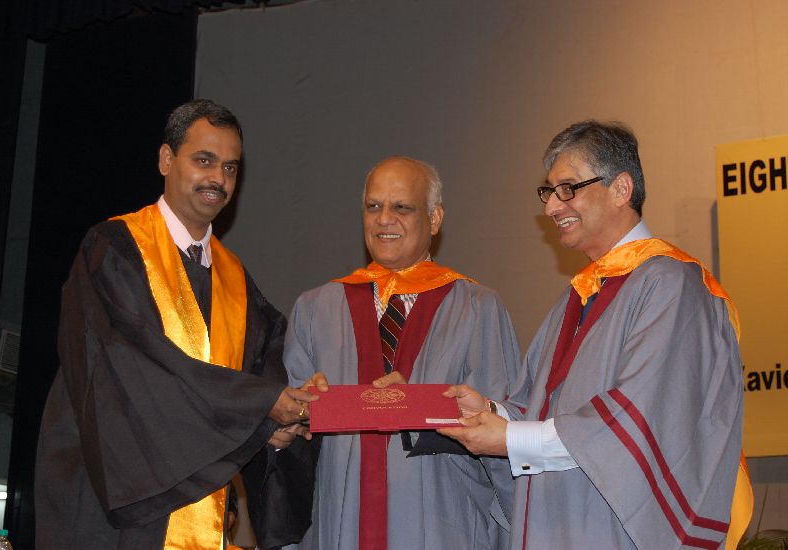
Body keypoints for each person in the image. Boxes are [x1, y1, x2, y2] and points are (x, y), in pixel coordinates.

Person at [439, 120, 753, 549]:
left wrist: (510, 438)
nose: (552, 207)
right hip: (563, 520)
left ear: (621, 189)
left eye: (568, 188)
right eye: (549, 191)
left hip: (613, 528)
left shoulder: (672, 285)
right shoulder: (580, 293)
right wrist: (494, 412)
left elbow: (637, 414)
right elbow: (543, 405)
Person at [35, 99, 317, 549]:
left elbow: (266, 379)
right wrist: (263, 405)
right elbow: (133, 371)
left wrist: (284, 420)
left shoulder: (238, 286)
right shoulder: (114, 249)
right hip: (119, 516)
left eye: (230, 167)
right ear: (166, 159)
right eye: (204, 160)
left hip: (205, 518)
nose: (218, 178)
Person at [280, 156, 521, 550]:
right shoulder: (315, 309)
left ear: (435, 218)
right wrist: (299, 415)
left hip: (442, 524)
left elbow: (505, 430)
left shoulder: (478, 309)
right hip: (340, 526)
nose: (383, 219)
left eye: (402, 207)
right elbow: (287, 447)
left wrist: (419, 406)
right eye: (373, 206)